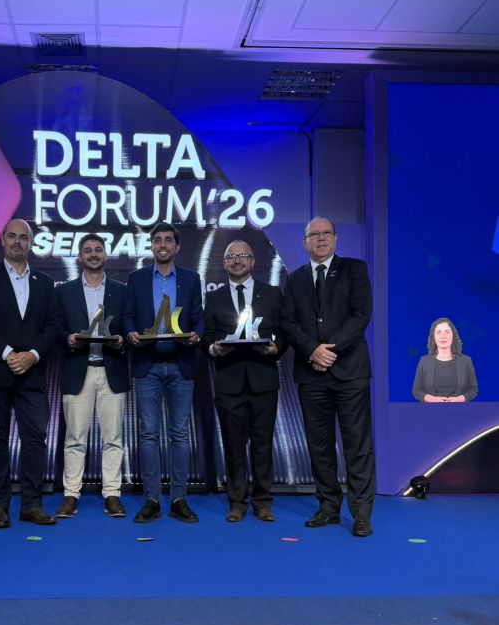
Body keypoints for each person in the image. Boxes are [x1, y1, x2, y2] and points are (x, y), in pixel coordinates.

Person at [280, 217, 375, 537]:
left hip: (350, 373)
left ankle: (362, 514)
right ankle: (328, 507)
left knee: (357, 445)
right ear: (304, 242)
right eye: (314, 234)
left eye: (326, 233)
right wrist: (312, 351)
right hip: (311, 376)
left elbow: (361, 315)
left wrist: (328, 351)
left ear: (335, 238)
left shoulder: (354, 269)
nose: (320, 238)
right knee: (319, 446)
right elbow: (288, 322)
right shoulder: (294, 279)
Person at [0, 218, 58, 529]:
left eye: (23, 237)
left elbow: (52, 326)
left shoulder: (45, 282)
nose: (18, 242)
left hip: (31, 374)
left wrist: (32, 355)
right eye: (12, 236)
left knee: (35, 440)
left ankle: (31, 505)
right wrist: (8, 353)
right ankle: (0, 507)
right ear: (3, 241)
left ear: (31, 243)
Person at [123, 221, 204, 524]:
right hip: (148, 364)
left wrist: (197, 334)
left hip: (181, 363)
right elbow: (128, 316)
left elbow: (197, 316)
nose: (162, 245)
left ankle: (179, 499)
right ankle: (152, 499)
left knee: (180, 434)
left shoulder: (191, 279)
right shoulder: (136, 279)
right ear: (151, 245)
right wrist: (130, 333)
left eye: (168, 240)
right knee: (148, 434)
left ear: (177, 247)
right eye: (157, 240)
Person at [203, 240, 286, 523]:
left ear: (252, 261)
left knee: (263, 445)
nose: (237, 261)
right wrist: (213, 348)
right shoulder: (213, 297)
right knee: (233, 446)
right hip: (229, 381)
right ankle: (236, 502)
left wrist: (278, 348)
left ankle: (262, 502)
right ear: (224, 263)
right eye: (231, 257)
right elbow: (207, 335)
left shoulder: (272, 293)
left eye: (242, 256)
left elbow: (284, 331)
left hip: (264, 380)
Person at [55, 233, 129, 518]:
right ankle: (71, 495)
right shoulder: (64, 291)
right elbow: (55, 327)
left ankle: (112, 494)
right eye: (88, 250)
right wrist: (67, 338)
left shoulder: (121, 291)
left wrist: (122, 340)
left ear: (105, 255)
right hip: (78, 369)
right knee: (75, 438)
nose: (94, 254)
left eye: (98, 250)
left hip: (112, 369)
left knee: (113, 438)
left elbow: (129, 326)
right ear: (80, 256)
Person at [412, 318, 478, 403]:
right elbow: (416, 390)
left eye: (447, 332)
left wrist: (461, 399)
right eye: (438, 332)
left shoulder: (466, 361)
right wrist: (432, 399)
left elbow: (473, 389)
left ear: (453, 335)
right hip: (431, 410)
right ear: (433, 337)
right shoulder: (424, 361)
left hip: (459, 409)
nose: (443, 336)